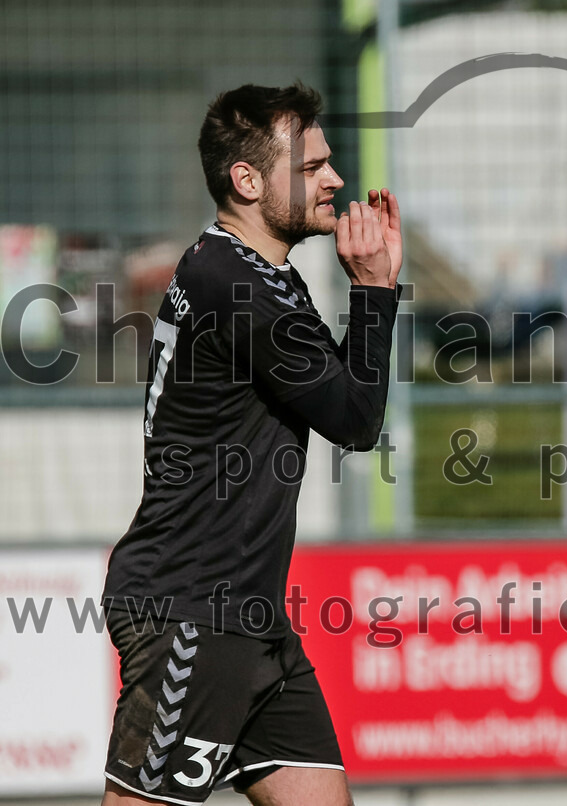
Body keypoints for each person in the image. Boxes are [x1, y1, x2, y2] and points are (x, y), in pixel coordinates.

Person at [101, 83, 402, 806]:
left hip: (249, 615)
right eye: (312, 166)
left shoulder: (254, 274)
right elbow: (354, 421)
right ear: (247, 181)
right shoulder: (235, 287)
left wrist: (373, 289)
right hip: (193, 609)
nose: (335, 179)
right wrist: (373, 291)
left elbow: (342, 394)